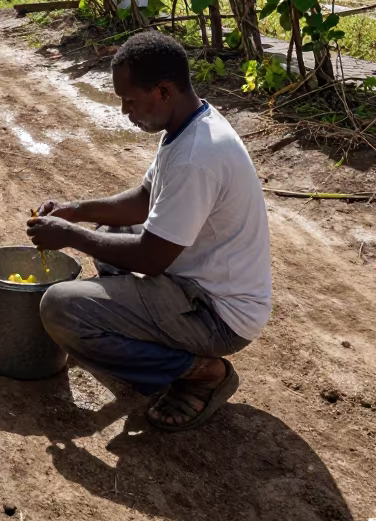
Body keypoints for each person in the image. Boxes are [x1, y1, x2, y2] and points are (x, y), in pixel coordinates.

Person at [27, 30, 271, 431]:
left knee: (61, 308)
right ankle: (137, 339)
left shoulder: (198, 156)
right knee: (111, 228)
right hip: (194, 285)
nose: (125, 111)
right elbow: (145, 197)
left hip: (217, 317)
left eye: (130, 100)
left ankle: (200, 371)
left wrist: (69, 236)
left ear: (162, 91)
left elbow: (151, 258)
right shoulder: (190, 124)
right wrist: (75, 212)